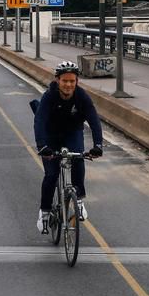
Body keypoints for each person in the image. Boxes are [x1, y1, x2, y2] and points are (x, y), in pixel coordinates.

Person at [31, 61, 103, 233]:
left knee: (78, 160)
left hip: (72, 133)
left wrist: (98, 145)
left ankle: (78, 199)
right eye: (65, 81)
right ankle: (45, 212)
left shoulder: (82, 97)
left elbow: (94, 120)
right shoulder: (49, 96)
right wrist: (42, 146)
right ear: (57, 80)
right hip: (51, 135)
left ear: (76, 81)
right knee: (51, 174)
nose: (68, 85)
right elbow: (39, 121)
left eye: (72, 81)